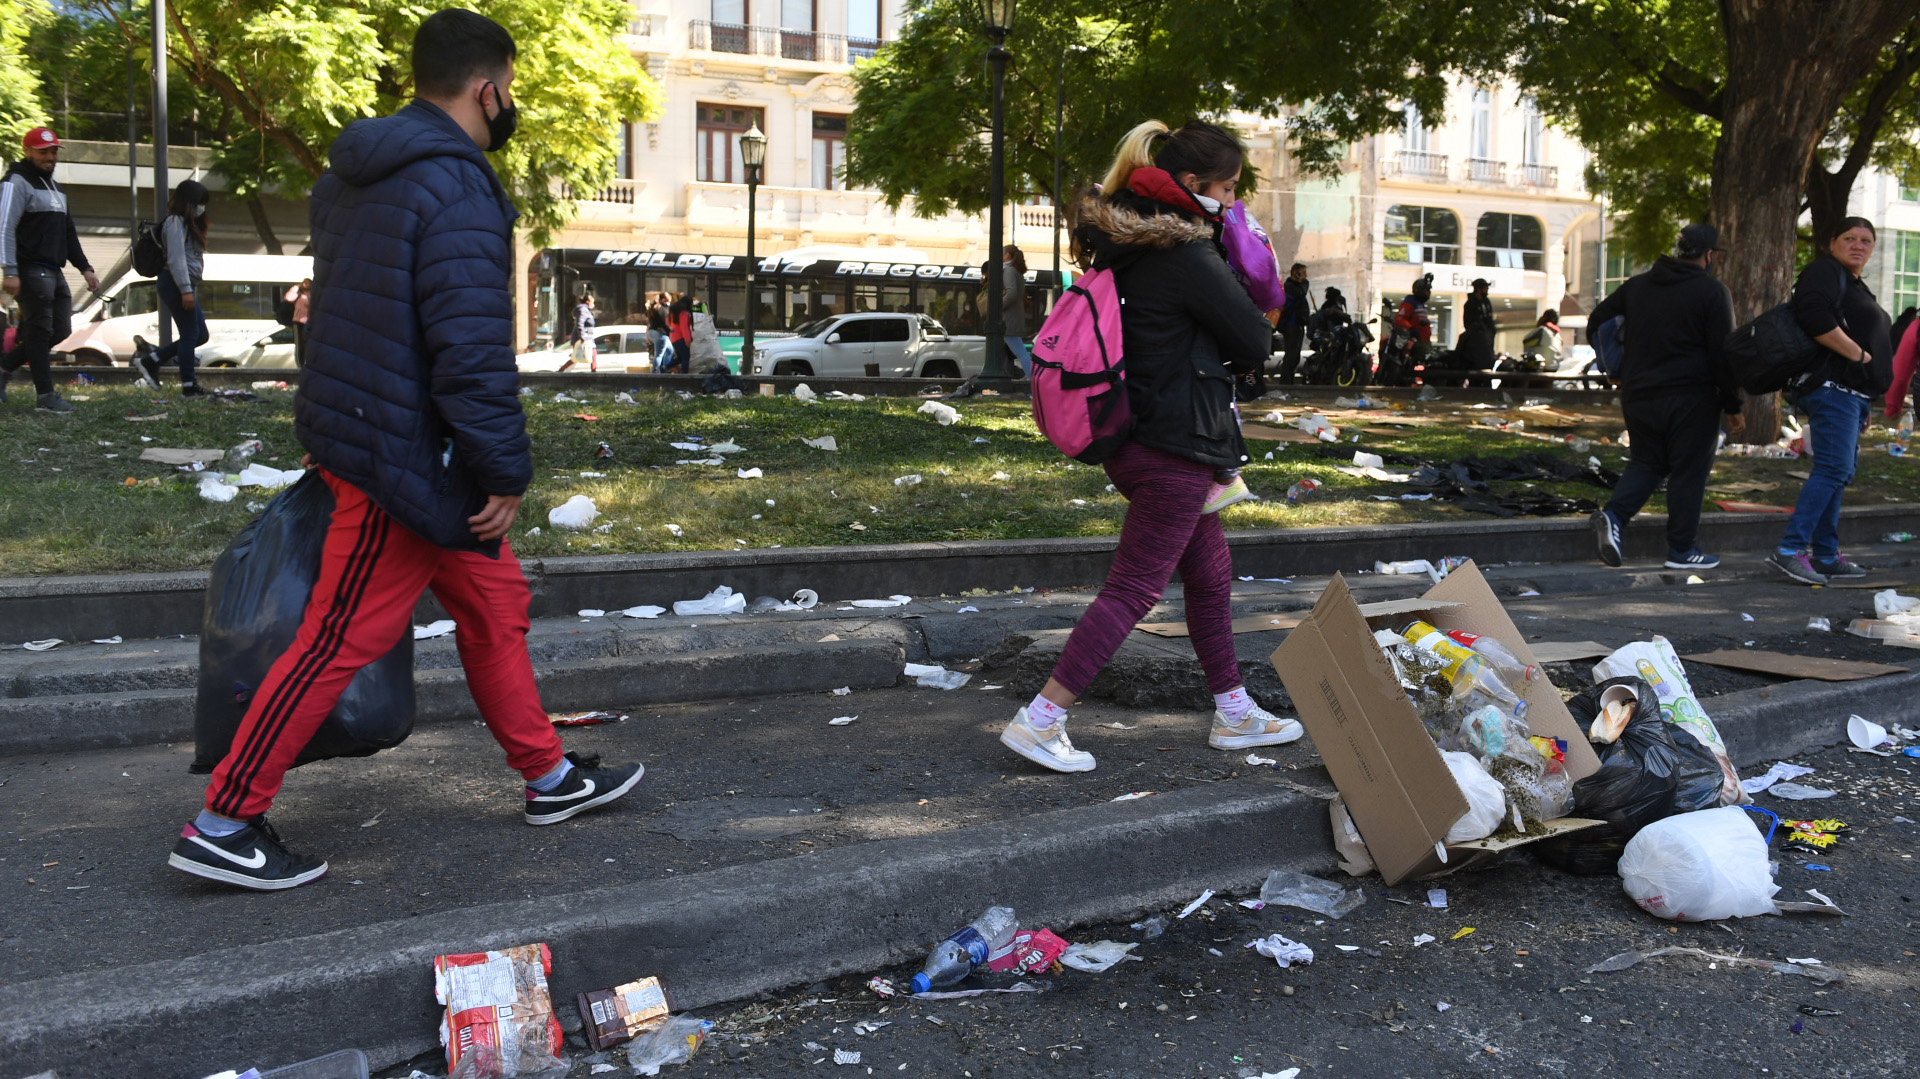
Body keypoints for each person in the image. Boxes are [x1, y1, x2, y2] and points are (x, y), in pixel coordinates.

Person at [166, 9, 644, 892]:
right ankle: (224, 819)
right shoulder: (456, 188)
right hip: (405, 461)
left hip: (381, 432)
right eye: (511, 89)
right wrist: (503, 468)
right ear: (487, 87)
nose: (512, 105)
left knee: (494, 602)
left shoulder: (353, 177)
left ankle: (548, 777)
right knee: (336, 640)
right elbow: (467, 345)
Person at [999, 119, 1302, 775]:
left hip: (1135, 433)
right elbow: (1255, 339)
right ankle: (1041, 718)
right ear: (1192, 186)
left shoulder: (1128, 244)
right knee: (1134, 587)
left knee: (1210, 572)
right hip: (1177, 443)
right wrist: (1250, 259)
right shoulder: (1187, 253)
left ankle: (1234, 710)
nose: (1230, 199)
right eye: (1224, 188)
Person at [1585, 223, 1744, 571]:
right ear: (1710, 256)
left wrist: (1613, 365)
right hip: (1693, 397)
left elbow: (1597, 320)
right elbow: (1722, 354)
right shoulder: (1712, 292)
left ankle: (1614, 517)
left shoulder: (1637, 286)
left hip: (1639, 394)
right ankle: (1682, 550)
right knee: (1688, 471)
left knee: (1648, 463)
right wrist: (1733, 405)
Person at [1769, 217, 1893, 585]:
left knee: (1837, 474)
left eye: (1866, 241)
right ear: (1832, 243)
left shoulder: (1855, 286)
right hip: (1833, 391)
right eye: (1850, 238)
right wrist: (1859, 356)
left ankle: (1825, 554)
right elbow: (1812, 315)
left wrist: (1865, 398)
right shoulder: (1825, 271)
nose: (1858, 245)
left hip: (1851, 396)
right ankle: (1790, 550)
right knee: (1832, 470)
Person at [0, 126, 95, 413]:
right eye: (43, 152)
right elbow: (4, 227)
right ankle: (46, 396)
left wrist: (86, 268)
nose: (50, 157)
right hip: (29, 270)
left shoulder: (57, 188)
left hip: (55, 272)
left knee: (60, 329)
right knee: (40, 333)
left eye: (53, 151)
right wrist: (10, 270)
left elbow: (69, 233)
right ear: (27, 151)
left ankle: (4, 367)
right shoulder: (16, 182)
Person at [134, 179, 213, 394]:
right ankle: (189, 386)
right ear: (188, 202)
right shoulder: (175, 222)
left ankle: (153, 360)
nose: (201, 208)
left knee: (200, 335)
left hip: (182, 284)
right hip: (176, 283)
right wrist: (186, 290)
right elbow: (176, 259)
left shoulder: (187, 224)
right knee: (189, 334)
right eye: (199, 203)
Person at [1457, 278, 1497, 382]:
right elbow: (1468, 323)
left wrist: (1490, 331)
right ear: (1478, 289)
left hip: (1487, 339)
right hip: (1476, 340)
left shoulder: (1486, 302)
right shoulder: (1470, 304)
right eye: (1485, 288)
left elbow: (1489, 319)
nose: (1487, 290)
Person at [1276, 263, 1309, 385]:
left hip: (1298, 325)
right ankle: (1285, 383)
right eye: (1303, 273)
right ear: (1296, 273)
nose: (1305, 276)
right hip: (1291, 325)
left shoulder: (1296, 287)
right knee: (1291, 356)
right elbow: (1301, 293)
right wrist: (1304, 282)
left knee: (1294, 357)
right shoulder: (1290, 287)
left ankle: (1288, 382)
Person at [1002, 244, 1032, 377]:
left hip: (1008, 319)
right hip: (1014, 317)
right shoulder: (1015, 271)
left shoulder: (1008, 271)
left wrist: (998, 306)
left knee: (1020, 352)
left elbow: (1012, 293)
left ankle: (1033, 379)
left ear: (1007, 255)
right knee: (1014, 352)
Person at [284, 278, 312, 368]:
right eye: (304, 284)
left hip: (309, 321)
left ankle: (308, 363)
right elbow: (288, 298)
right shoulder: (297, 290)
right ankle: (300, 365)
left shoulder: (311, 292)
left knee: (308, 344)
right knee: (299, 344)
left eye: (308, 284)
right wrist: (297, 289)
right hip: (298, 321)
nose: (305, 286)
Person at [663, 291, 693, 373]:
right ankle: (684, 376)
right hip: (681, 337)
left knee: (680, 357)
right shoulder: (683, 313)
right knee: (686, 357)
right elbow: (684, 327)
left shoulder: (674, 311)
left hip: (673, 337)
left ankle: (665, 367)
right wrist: (687, 340)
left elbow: (668, 322)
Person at [645, 291, 670, 367]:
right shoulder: (661, 309)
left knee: (669, 350)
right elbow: (665, 323)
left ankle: (665, 368)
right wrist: (670, 332)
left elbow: (649, 325)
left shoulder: (652, 310)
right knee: (659, 354)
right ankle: (656, 371)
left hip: (652, 333)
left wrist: (647, 336)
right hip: (661, 334)